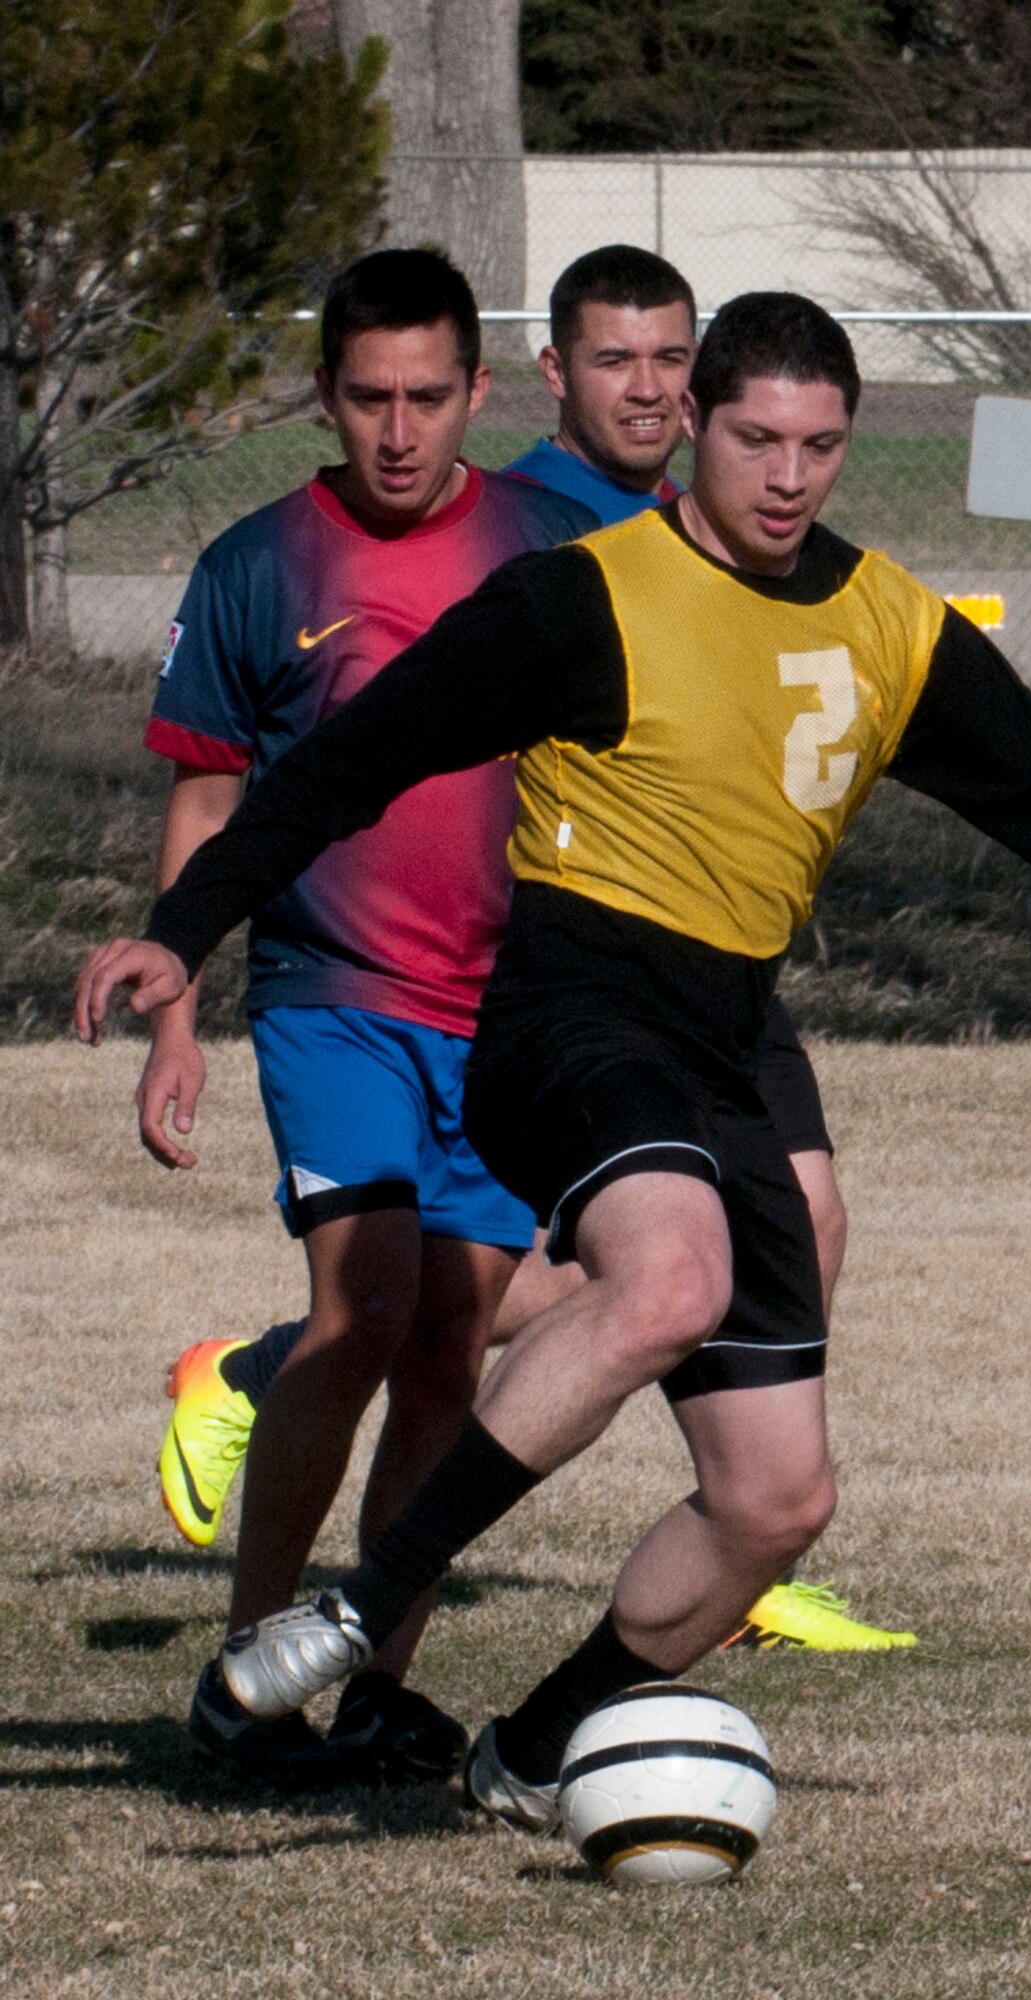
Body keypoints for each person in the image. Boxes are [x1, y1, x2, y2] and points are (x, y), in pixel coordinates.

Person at [77, 292, 1031, 1835]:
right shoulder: (584, 597)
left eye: (819, 446)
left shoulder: (886, 621)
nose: (786, 478)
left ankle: (533, 1747)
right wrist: (184, 935)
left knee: (773, 1499)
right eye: (755, 441)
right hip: (572, 1012)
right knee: (664, 1282)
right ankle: (350, 1613)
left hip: (727, 1036)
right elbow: (342, 764)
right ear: (694, 432)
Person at [161, 245, 912, 1658]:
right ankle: (275, 1602)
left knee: (524, 1306)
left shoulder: (628, 539)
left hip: (550, 985)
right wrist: (176, 978)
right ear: (548, 375)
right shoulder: (385, 548)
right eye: (617, 359)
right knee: (395, 1302)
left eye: (672, 359)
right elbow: (277, 775)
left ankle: (723, 1526)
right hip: (370, 985)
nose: (651, 387)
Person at [136, 247, 597, 1789]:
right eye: (365, 400)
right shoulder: (261, 564)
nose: (397, 433)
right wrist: (177, 1008)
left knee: (455, 1342)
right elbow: (209, 792)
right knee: (363, 1308)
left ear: (478, 392)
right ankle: (252, 1668)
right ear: (325, 399)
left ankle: (376, 1684)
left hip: (506, 1007)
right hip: (330, 995)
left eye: (425, 398)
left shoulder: (557, 546)